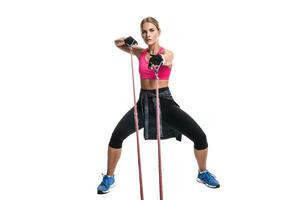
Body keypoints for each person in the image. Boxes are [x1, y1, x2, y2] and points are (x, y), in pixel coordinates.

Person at [97, 16, 220, 194]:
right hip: (143, 102)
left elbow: (167, 58)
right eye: (144, 31)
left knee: (200, 137)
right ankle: (109, 177)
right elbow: (117, 44)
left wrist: (160, 59)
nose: (148, 34)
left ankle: (203, 172)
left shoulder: (167, 52)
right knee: (116, 136)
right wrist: (126, 40)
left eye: (151, 30)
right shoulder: (140, 53)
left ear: (158, 32)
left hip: (164, 102)